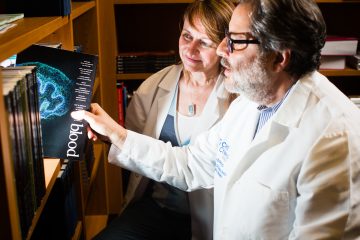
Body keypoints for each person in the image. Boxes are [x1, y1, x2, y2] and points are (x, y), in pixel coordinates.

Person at [72, 0, 360, 239]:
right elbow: (189, 164)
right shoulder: (251, 103)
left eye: (234, 41)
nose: (222, 50)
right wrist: (116, 134)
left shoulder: (334, 138)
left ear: (278, 58)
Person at [93, 1, 235, 239]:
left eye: (205, 42)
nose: (190, 50)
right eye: (187, 35)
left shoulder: (239, 99)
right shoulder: (152, 88)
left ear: (224, 47)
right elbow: (137, 152)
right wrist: (110, 137)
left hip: (215, 217)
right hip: (157, 210)